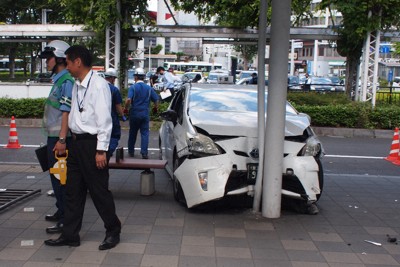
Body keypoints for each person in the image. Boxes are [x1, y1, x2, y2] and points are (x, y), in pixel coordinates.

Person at [44, 45, 121, 250]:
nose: (66, 66)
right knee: (72, 191)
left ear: (77, 61)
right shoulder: (77, 84)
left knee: (99, 192)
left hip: (92, 144)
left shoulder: (99, 86)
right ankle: (70, 235)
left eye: (68, 62)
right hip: (76, 143)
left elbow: (105, 121)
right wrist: (64, 140)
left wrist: (101, 151)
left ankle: (113, 231)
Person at [39, 40, 74, 235]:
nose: (47, 63)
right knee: (56, 178)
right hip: (54, 138)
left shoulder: (66, 81)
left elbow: (66, 113)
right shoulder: (60, 80)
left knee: (61, 179)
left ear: (59, 59)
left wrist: (61, 140)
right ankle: (61, 211)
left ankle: (65, 219)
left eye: (49, 59)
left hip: (61, 139)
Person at [125, 67, 159, 159]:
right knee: (145, 133)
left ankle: (131, 151)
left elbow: (128, 100)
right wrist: (155, 108)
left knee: (132, 133)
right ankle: (144, 153)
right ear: (143, 77)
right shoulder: (149, 88)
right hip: (145, 113)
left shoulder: (133, 87)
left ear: (135, 77)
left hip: (134, 113)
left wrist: (126, 108)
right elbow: (156, 100)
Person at [104, 68, 127, 156]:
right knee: (114, 135)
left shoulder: (97, 88)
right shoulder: (114, 90)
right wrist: (122, 115)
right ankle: (108, 152)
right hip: (111, 116)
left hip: (98, 117)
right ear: (112, 78)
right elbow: (118, 105)